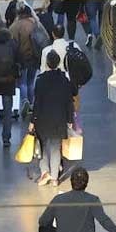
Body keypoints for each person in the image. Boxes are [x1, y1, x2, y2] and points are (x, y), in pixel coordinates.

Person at [30, 51, 76, 186]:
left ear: (47, 63)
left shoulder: (40, 80)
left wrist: (32, 121)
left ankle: (45, 172)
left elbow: (37, 102)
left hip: (43, 119)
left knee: (42, 147)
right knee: (56, 148)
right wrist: (70, 120)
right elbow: (69, 101)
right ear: (58, 63)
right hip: (59, 118)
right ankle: (55, 178)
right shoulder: (64, 80)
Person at [10, 3, 47, 113]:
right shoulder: (35, 24)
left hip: (21, 58)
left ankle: (24, 101)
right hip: (34, 57)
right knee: (31, 81)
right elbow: (45, 37)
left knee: (22, 82)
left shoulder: (14, 26)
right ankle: (31, 103)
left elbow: (12, 43)